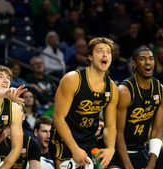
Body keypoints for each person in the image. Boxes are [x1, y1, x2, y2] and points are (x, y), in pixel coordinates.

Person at [49, 37, 118, 168]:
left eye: (108, 52)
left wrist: (110, 148)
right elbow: (58, 118)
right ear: (90, 57)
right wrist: (74, 149)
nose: (105, 54)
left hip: (89, 140)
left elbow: (110, 125)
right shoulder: (73, 79)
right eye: (100, 51)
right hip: (63, 141)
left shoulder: (112, 88)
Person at [109, 46, 163, 169]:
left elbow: (157, 131)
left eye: (151, 59)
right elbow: (117, 133)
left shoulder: (162, 91)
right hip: (116, 152)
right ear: (134, 64)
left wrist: (151, 164)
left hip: (140, 150)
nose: (147, 62)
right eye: (142, 59)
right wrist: (128, 167)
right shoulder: (124, 91)